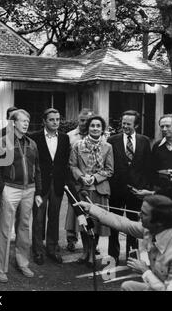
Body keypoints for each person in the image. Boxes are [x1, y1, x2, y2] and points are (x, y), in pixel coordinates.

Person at [79, 195, 172, 291]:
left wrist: (145, 271)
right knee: (128, 286)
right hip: (160, 285)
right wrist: (91, 208)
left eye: (143, 214)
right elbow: (123, 223)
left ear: (159, 222)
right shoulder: (152, 229)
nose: (139, 215)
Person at [0, 109, 43, 283]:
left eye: (28, 120)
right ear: (13, 123)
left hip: (29, 190)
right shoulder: (2, 142)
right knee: (5, 230)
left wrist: (38, 191)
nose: (26, 123)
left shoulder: (32, 143)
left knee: (24, 228)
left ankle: (22, 262)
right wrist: (2, 188)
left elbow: (37, 169)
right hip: (10, 189)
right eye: (22, 121)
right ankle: (0, 267)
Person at [107, 110, 152, 265]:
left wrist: (144, 188)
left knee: (133, 224)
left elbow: (148, 167)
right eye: (123, 123)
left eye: (128, 124)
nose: (125, 126)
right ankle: (113, 255)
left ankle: (132, 256)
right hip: (116, 190)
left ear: (136, 125)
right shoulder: (112, 140)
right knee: (114, 223)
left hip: (136, 192)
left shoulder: (145, 141)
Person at [70, 115, 113, 267]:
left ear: (102, 129)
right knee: (82, 222)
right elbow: (72, 165)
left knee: (95, 223)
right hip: (82, 189)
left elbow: (109, 170)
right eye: (92, 125)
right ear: (87, 128)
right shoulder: (77, 145)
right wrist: (82, 177)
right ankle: (85, 251)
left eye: (98, 126)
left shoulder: (107, 147)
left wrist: (94, 178)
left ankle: (92, 253)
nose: (95, 128)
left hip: (98, 190)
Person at [29, 108, 70, 265]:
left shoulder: (65, 138)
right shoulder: (35, 137)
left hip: (57, 184)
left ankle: (52, 249)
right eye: (52, 119)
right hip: (40, 185)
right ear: (44, 121)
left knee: (54, 217)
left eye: (58, 119)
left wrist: (65, 182)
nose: (55, 122)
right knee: (38, 219)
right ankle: (38, 251)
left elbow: (64, 162)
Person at [64, 108, 94, 252]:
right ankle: (71, 238)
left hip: (90, 182)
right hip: (74, 180)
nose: (84, 123)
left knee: (89, 211)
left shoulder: (97, 136)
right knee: (74, 210)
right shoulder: (69, 136)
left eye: (87, 121)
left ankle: (90, 241)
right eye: (82, 120)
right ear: (78, 120)